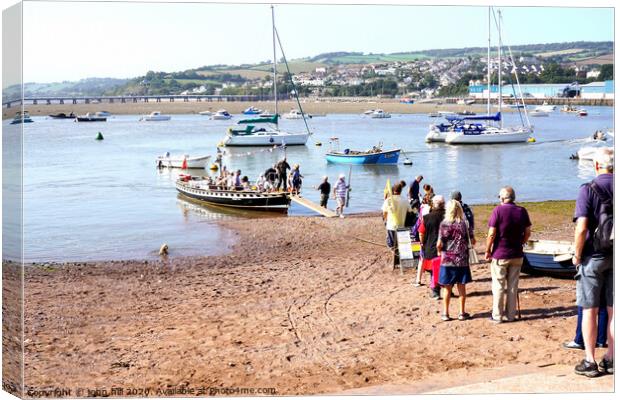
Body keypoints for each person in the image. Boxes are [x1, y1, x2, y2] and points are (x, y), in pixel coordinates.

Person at [572, 147, 614, 377]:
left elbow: (581, 228)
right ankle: (611, 358)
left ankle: (590, 361)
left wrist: (577, 255)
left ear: (596, 166)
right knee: (613, 309)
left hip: (593, 256)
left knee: (589, 309)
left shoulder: (588, 189)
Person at [485, 186, 531, 323]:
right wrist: (522, 242)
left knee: (498, 285)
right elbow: (528, 231)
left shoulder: (498, 210)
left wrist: (487, 250)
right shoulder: (522, 211)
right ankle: (511, 315)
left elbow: (492, 233)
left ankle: (497, 316)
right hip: (516, 253)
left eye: (499, 197)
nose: (499, 199)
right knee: (512, 286)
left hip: (500, 254)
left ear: (504, 198)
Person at [437, 200, 473, 321]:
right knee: (461, 287)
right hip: (462, 259)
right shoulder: (465, 224)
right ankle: (461, 313)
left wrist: (440, 250)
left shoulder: (444, 224)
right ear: (459, 210)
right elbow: (472, 241)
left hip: (447, 260)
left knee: (447, 288)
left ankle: (445, 313)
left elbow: (439, 244)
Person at [419, 195, 445, 299]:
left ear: (433, 205)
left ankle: (435, 291)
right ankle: (448, 289)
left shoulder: (427, 218)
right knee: (446, 269)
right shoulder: (448, 216)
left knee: (433, 271)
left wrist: (422, 243)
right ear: (443, 204)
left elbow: (421, 232)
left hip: (431, 246)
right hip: (446, 247)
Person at [382, 182, 412, 249]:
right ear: (401, 190)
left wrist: (385, 221)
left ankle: (394, 253)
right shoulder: (405, 200)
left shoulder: (388, 200)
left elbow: (384, 214)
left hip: (391, 226)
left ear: (393, 190)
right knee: (401, 245)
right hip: (401, 225)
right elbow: (410, 211)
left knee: (392, 245)